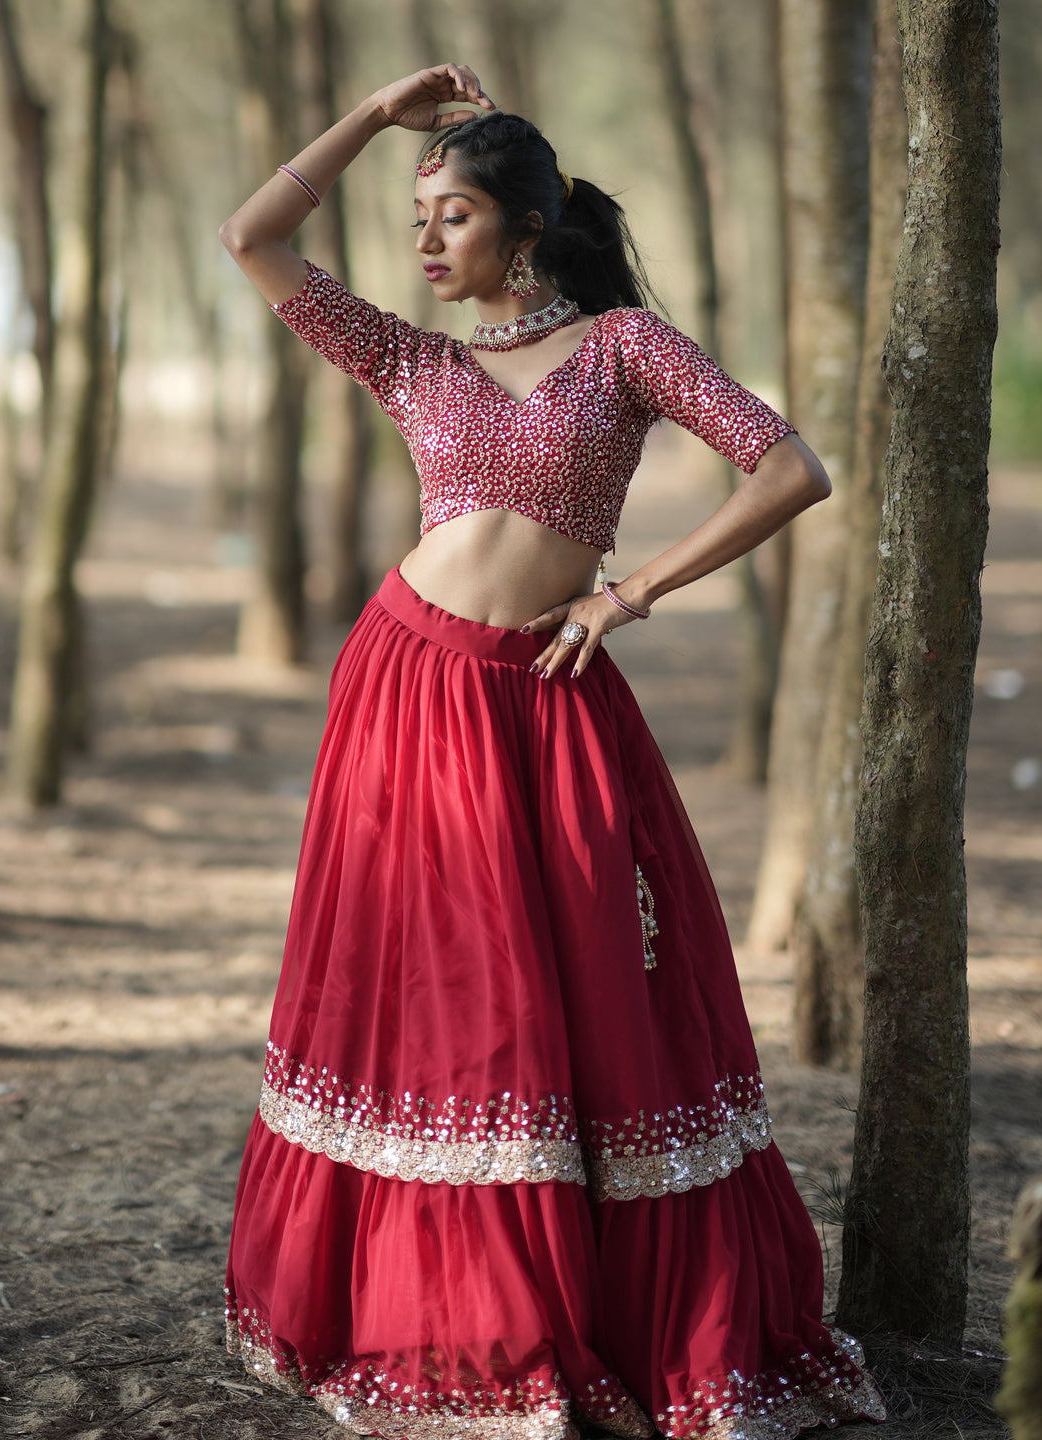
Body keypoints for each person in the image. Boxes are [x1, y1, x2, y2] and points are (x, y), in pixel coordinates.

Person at [219, 62, 885, 1440]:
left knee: (577, 1003)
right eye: (416, 217)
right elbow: (253, 239)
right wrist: (374, 121)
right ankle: (454, 1319)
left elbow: (792, 469)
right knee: (437, 1006)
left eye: (448, 215)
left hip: (552, 700)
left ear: (521, 229)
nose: (422, 243)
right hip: (408, 695)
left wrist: (631, 593)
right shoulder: (411, 356)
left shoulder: (631, 351)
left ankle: (591, 1306)